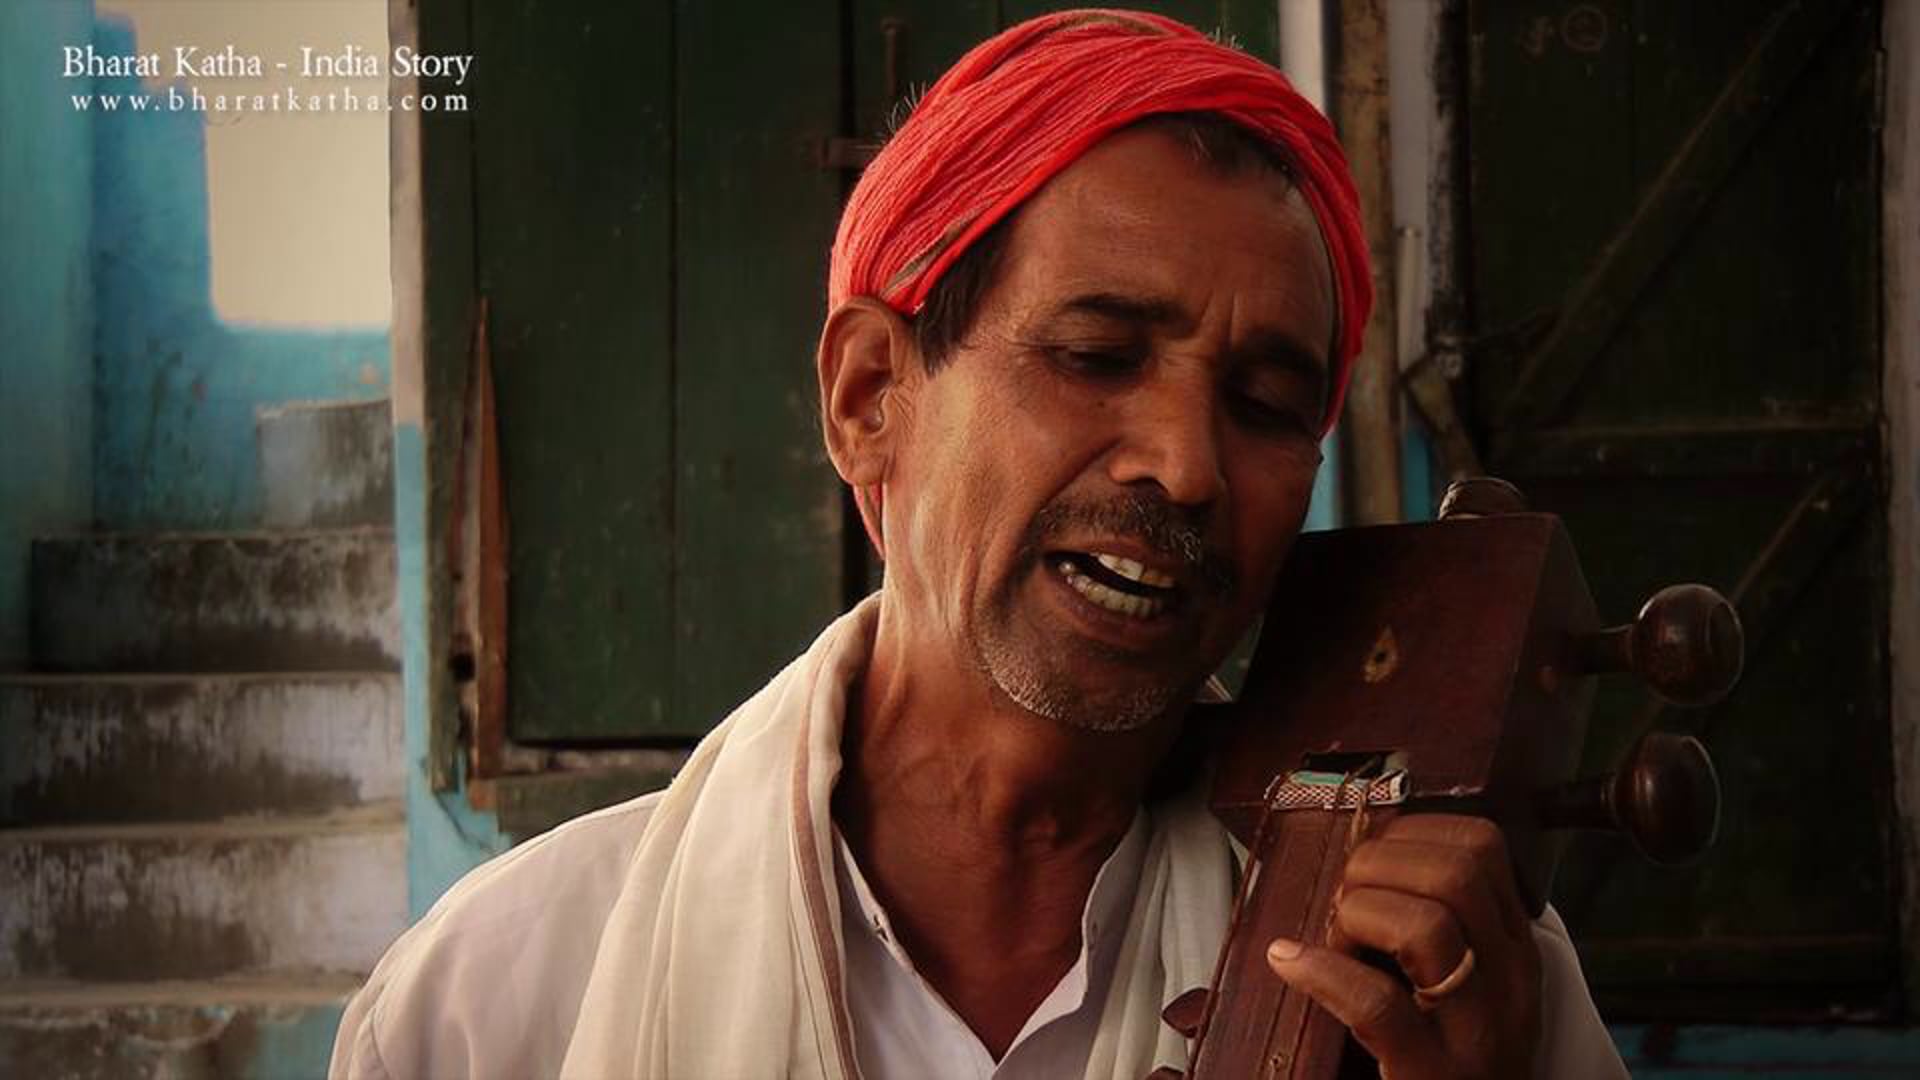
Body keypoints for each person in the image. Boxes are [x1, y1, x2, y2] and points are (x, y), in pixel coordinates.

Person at [330, 10, 1629, 1079]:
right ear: (868, 400)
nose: (1185, 462)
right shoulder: (491, 1007)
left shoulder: (1449, 978)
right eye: (1096, 356)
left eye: (1269, 405)